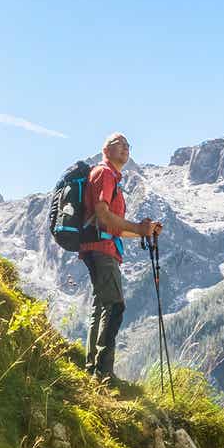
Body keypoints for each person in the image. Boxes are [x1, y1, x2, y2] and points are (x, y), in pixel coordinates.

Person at [80, 132, 161, 384]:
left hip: (101, 248)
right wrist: (137, 229)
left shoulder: (112, 177)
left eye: (128, 145)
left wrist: (142, 230)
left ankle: (93, 367)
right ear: (106, 150)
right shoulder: (104, 174)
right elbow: (103, 216)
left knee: (102, 306)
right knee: (115, 306)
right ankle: (103, 373)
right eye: (119, 144)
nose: (125, 148)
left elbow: (111, 226)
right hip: (102, 251)